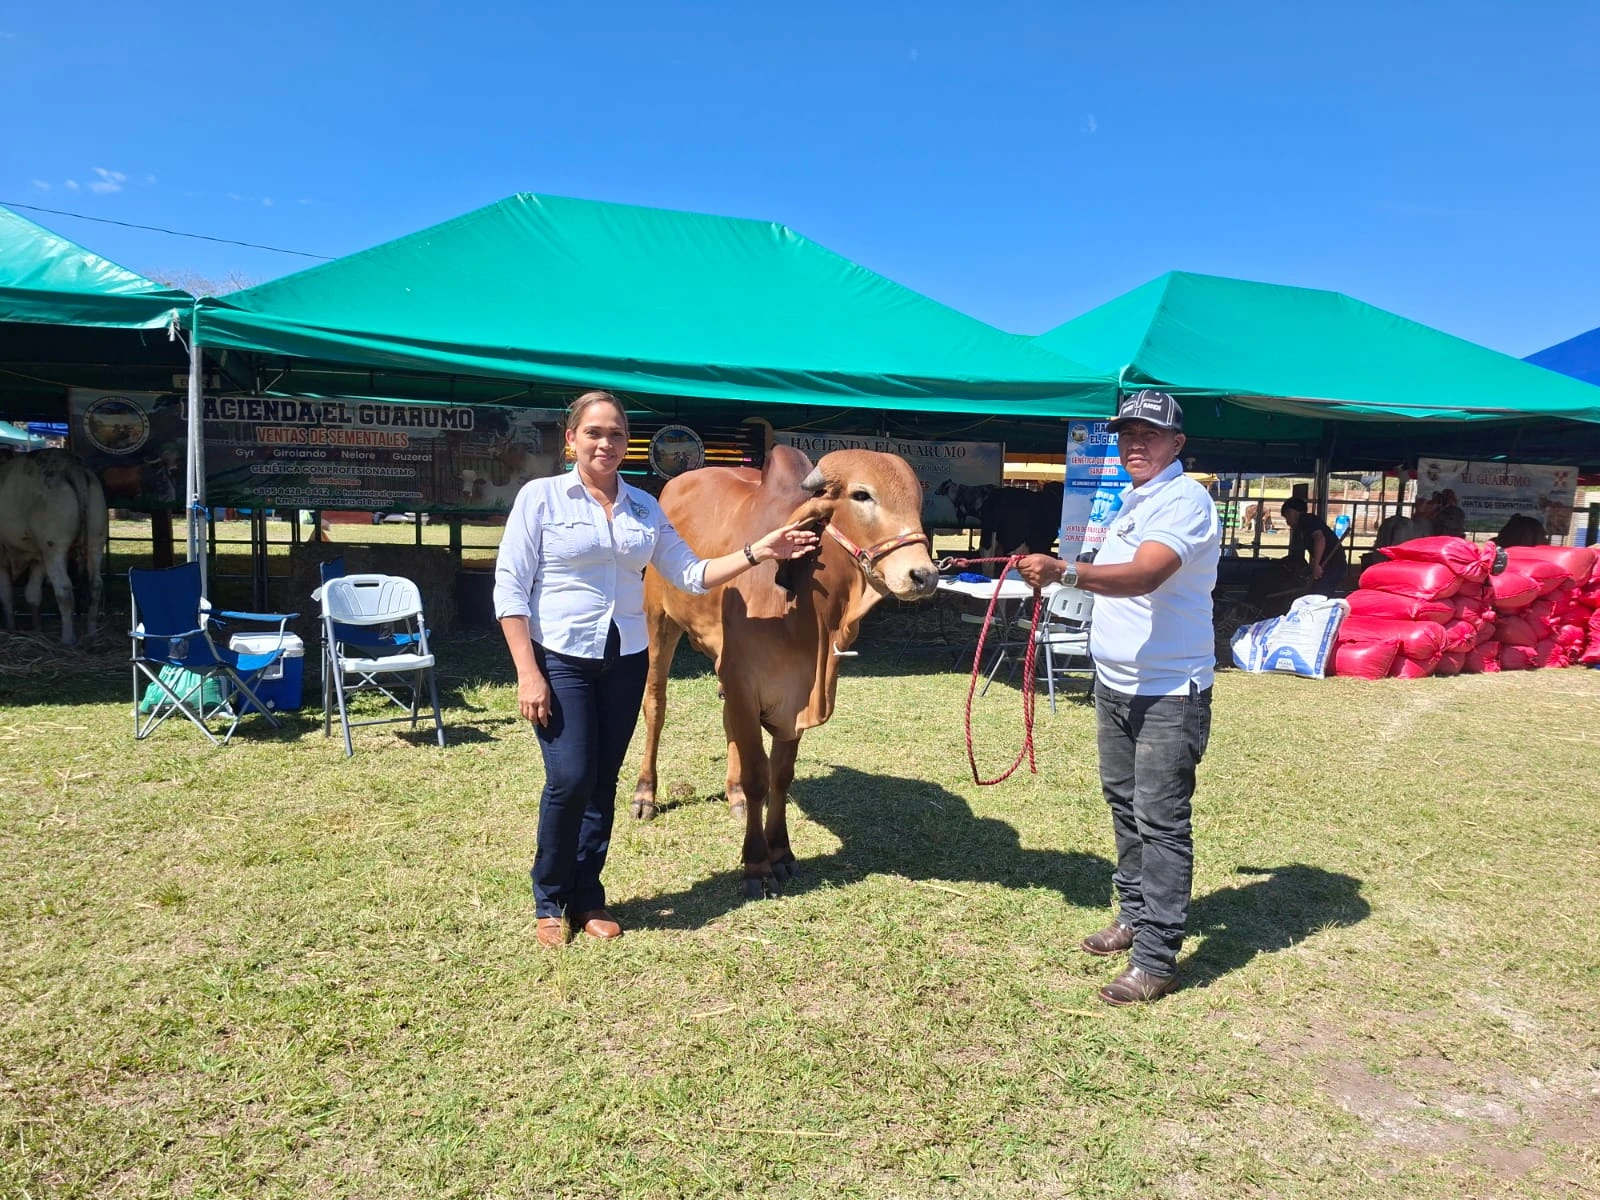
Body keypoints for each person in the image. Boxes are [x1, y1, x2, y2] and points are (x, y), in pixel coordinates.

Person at [494, 391, 819, 948]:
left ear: (628, 443)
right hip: (562, 656)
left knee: (602, 782)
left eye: (616, 434)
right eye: (594, 432)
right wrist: (528, 671)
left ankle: (588, 897)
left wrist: (760, 550)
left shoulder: (644, 507)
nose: (605, 443)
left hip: (623, 657)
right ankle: (550, 899)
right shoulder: (540, 498)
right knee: (570, 779)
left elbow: (690, 573)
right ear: (571, 440)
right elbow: (510, 588)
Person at [1015, 389, 1220, 1006]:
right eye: (1128, 433)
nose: (1136, 443)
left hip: (1168, 690)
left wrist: (1065, 571)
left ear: (1177, 443)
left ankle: (1156, 958)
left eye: (1150, 434)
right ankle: (1134, 914)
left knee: (1161, 820)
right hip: (1117, 682)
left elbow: (1146, 575)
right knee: (1124, 806)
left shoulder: (1184, 500)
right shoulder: (1134, 502)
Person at [1280, 496, 1347, 595]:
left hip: (1333, 563)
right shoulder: (1304, 524)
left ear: (1291, 512)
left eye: (1287, 516)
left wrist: (1316, 565)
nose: (1287, 522)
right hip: (1329, 563)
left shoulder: (1306, 519)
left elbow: (1320, 539)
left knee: (1320, 593)